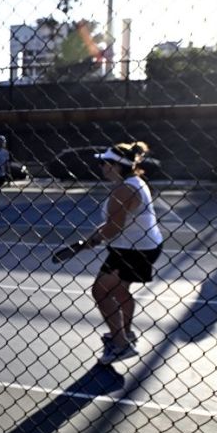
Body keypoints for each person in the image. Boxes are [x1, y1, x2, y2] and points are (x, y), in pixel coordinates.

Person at [85, 142, 164, 364]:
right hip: (140, 245)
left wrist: (96, 238)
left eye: (104, 163)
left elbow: (113, 228)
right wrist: (98, 233)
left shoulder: (124, 189)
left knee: (100, 291)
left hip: (133, 250)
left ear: (116, 166)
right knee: (120, 291)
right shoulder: (133, 183)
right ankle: (125, 334)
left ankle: (120, 345)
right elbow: (117, 222)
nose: (101, 167)